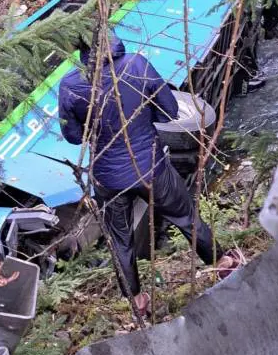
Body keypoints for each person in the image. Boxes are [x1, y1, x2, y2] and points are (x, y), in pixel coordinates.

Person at [58, 31, 238, 316]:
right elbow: (168, 111)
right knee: (187, 218)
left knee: (120, 241)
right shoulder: (137, 65)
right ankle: (225, 266)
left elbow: (73, 136)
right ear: (111, 38)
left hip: (107, 178)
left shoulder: (69, 84)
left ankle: (138, 304)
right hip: (150, 169)